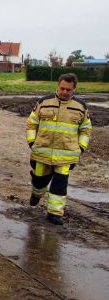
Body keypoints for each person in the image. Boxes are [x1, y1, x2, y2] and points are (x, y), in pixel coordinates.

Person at [26, 73, 92, 225]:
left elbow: (85, 130)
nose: (64, 92)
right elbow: (31, 123)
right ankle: (36, 194)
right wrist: (31, 142)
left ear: (74, 90)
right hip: (42, 153)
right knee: (39, 182)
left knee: (59, 185)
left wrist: (81, 148)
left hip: (66, 157)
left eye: (68, 90)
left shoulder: (80, 106)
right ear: (58, 86)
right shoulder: (44, 102)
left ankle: (54, 213)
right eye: (62, 88)